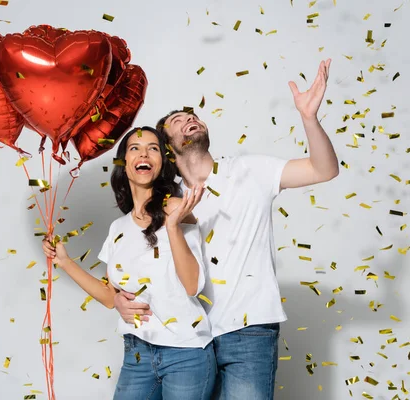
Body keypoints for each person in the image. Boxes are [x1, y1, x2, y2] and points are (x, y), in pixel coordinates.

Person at [113, 59, 339, 399]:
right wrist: (116, 297)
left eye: (193, 116)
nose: (190, 119)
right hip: (183, 340)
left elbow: (324, 170)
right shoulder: (163, 198)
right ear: (168, 147)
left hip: (247, 334)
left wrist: (309, 118)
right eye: (178, 120)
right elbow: (135, 256)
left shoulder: (251, 170)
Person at [42, 126, 217, 399]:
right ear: (124, 164)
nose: (143, 153)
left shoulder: (175, 208)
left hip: (185, 353)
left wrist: (171, 227)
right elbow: (111, 297)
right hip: (137, 353)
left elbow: (193, 285)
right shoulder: (118, 228)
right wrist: (64, 262)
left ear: (161, 162)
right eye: (134, 148)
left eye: (153, 148)